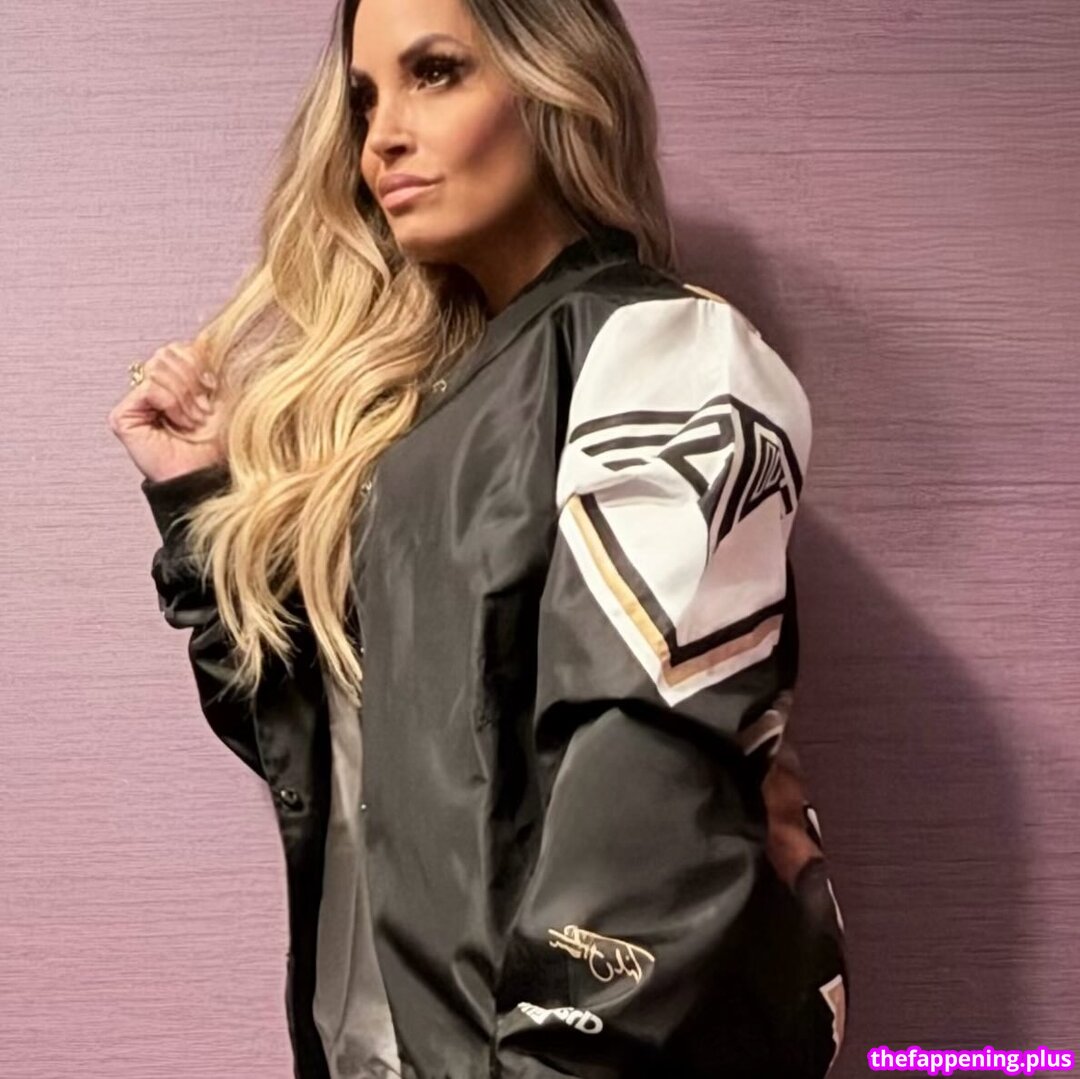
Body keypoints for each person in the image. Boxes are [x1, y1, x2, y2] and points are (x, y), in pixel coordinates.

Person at [109, 0, 849, 1075]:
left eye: (436, 72)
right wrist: (199, 499)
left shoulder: (660, 353)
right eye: (365, 99)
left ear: (555, 83)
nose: (382, 136)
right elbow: (330, 765)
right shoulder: (422, 424)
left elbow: (648, 790)